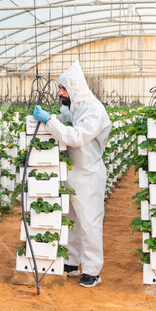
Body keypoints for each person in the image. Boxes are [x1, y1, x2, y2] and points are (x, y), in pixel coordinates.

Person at [32, 61, 111, 288]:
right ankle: (72, 261)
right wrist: (48, 119)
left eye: (62, 89)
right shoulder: (73, 107)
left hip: (89, 174)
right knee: (73, 220)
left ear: (74, 88)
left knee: (90, 222)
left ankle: (92, 270)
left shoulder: (93, 111)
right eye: (60, 88)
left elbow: (75, 137)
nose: (60, 93)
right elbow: (64, 121)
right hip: (73, 172)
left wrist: (49, 120)